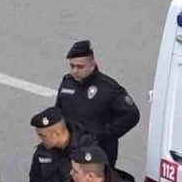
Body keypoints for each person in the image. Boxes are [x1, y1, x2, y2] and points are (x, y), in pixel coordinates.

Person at [55, 40, 140, 170]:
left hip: (97, 155)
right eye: (72, 66)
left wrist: (103, 135)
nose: (75, 70)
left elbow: (131, 115)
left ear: (92, 65)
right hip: (69, 151)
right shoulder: (67, 83)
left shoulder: (108, 88)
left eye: (80, 67)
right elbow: (58, 113)